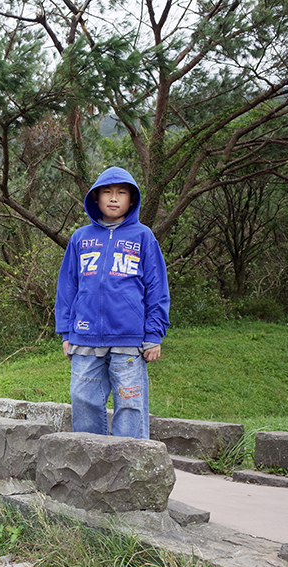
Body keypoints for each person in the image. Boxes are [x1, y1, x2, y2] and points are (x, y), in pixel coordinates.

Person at [55, 166, 170, 439]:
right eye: (107, 192)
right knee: (83, 399)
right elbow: (67, 286)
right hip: (85, 335)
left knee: (130, 404)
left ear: (132, 199)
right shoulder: (80, 239)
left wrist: (154, 333)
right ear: (96, 198)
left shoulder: (143, 237)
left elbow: (157, 287)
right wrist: (66, 331)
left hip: (129, 338)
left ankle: (131, 464)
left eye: (121, 193)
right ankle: (92, 462)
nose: (114, 198)